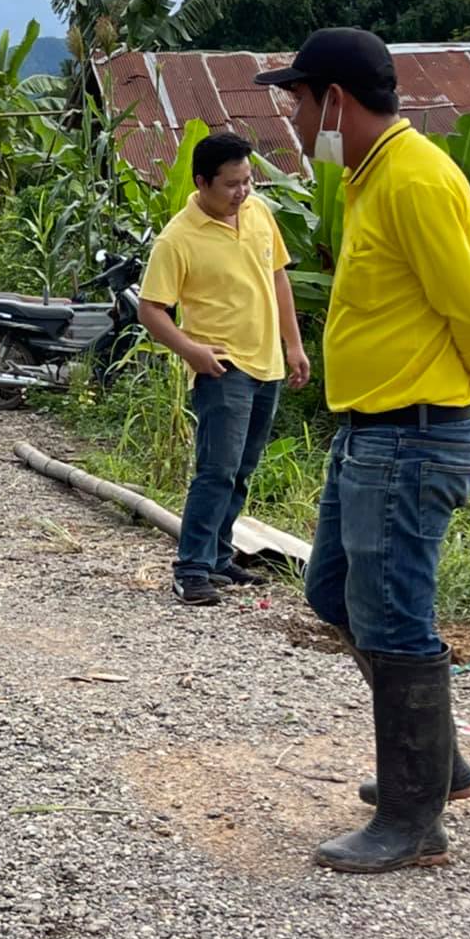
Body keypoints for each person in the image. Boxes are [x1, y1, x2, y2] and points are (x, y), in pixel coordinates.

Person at [254, 27, 470, 872]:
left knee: (393, 615)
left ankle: (413, 819)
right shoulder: (369, 176)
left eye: (296, 98)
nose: (291, 116)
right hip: (373, 431)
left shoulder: (417, 180)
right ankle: (437, 764)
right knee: (334, 591)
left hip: (414, 433)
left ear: (336, 100)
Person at [138, 132, 310, 607]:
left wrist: (293, 346)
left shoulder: (258, 214)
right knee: (216, 469)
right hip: (222, 366)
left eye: (248, 181)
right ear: (201, 182)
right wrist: (190, 350)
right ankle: (190, 568)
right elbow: (151, 309)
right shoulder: (178, 238)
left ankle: (217, 556)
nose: (243, 192)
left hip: (267, 363)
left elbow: (278, 278)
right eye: (232, 184)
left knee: (243, 468)